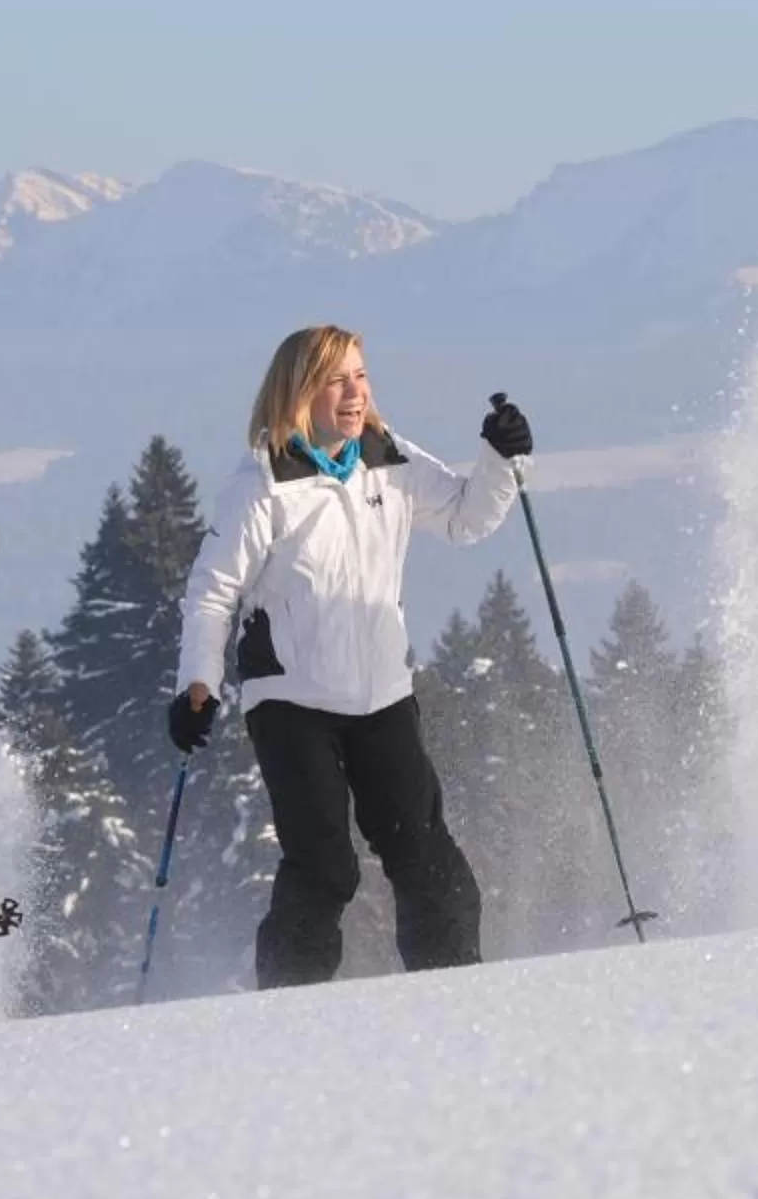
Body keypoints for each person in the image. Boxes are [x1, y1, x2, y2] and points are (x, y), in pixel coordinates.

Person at [166, 325, 532, 988]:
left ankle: (456, 990)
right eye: (336, 380)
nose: (354, 393)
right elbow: (212, 592)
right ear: (298, 392)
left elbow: (464, 518)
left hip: (382, 693)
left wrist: (499, 459)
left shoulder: (386, 459)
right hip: (292, 701)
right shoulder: (263, 484)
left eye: (360, 376)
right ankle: (290, 1005)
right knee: (324, 864)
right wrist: (199, 684)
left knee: (420, 849)